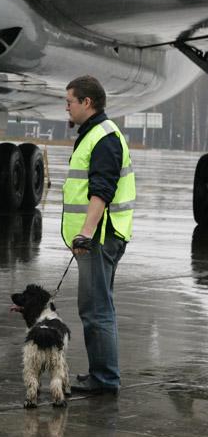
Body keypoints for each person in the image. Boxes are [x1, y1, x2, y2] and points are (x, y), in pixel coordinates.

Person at [62, 75, 135, 395]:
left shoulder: (103, 137)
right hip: (101, 236)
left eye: (70, 102)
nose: (67, 108)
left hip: (99, 237)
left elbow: (101, 191)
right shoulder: (95, 133)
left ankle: (104, 378)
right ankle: (102, 374)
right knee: (97, 307)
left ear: (86, 103)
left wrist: (85, 233)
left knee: (96, 309)